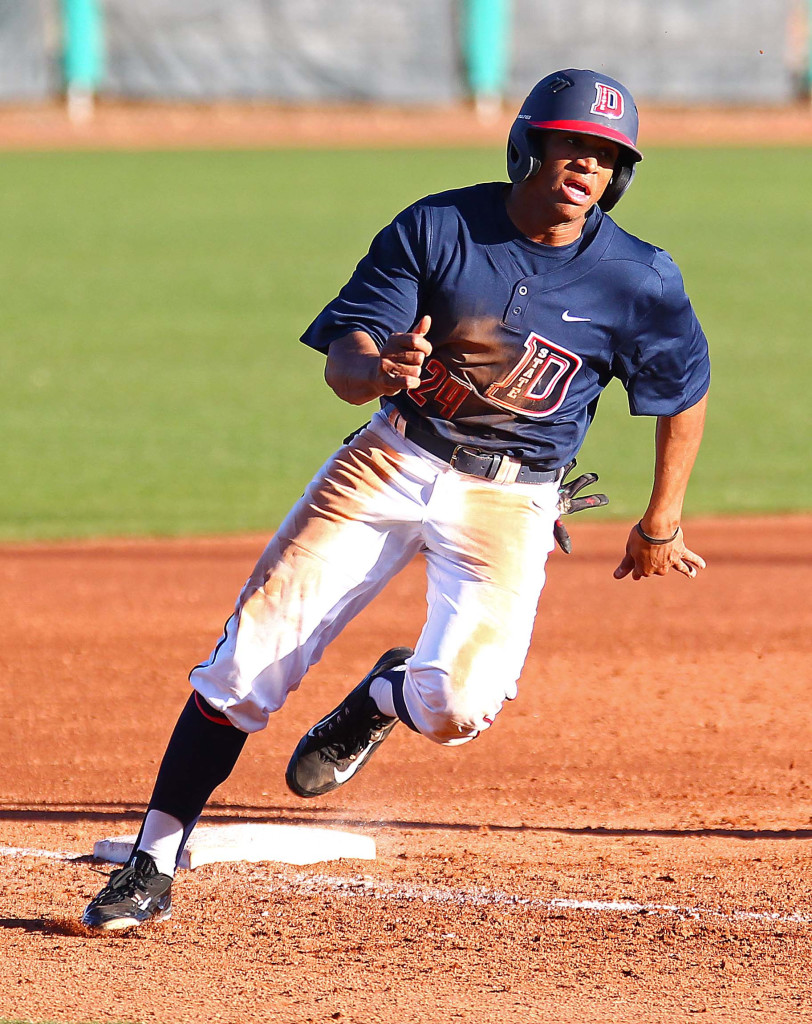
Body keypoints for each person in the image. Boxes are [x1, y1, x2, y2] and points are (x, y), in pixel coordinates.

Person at [82, 68, 709, 931]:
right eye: (570, 143)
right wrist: (376, 370)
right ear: (528, 144)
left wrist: (660, 523)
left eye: (604, 156)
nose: (585, 165)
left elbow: (681, 392)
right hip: (390, 462)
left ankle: (383, 695)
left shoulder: (639, 279)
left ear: (620, 175)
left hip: (513, 501)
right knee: (247, 668)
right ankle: (152, 861)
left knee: (457, 709)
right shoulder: (440, 226)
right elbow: (345, 358)